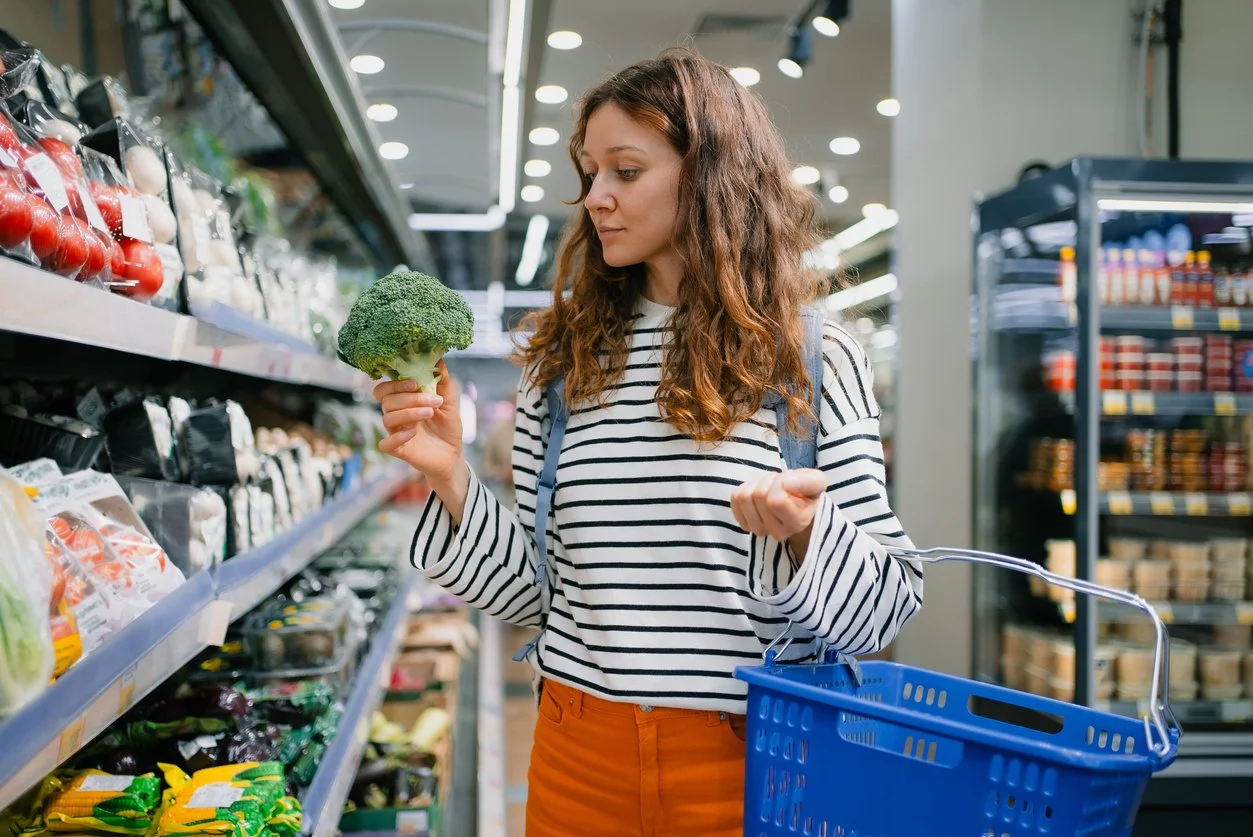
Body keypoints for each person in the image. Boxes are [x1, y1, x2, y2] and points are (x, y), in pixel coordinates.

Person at [372, 46, 923, 837]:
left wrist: (807, 533)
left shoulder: (806, 357)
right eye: (589, 171)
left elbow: (884, 605)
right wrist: (450, 477)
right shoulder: (558, 366)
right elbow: (537, 595)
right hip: (576, 753)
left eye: (624, 171)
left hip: (754, 760)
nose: (595, 196)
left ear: (707, 176)